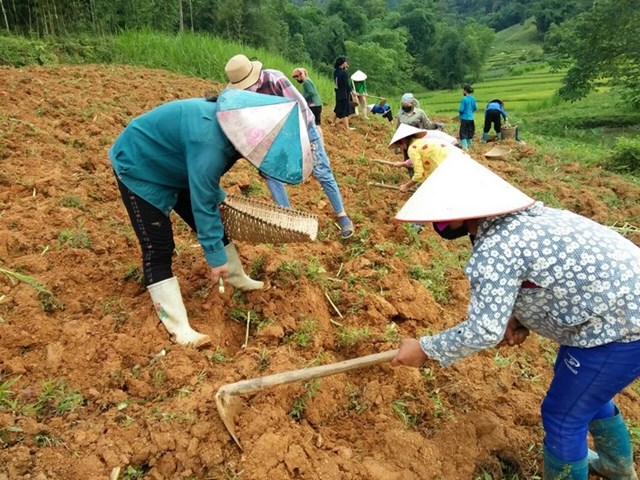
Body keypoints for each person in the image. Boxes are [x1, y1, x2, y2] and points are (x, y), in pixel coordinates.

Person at [392, 151, 640, 480]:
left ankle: (614, 467)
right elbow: (549, 277)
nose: (437, 224)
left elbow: (483, 331)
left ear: (466, 211)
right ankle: (615, 466)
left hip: (619, 328)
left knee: (563, 416)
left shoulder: (496, 248)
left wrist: (424, 349)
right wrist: (519, 317)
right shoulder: (530, 219)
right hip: (609, 315)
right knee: (585, 393)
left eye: (440, 216)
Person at [109, 90, 309, 348]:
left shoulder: (230, 128)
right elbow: (202, 195)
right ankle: (178, 328)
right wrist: (214, 258)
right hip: (139, 165)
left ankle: (237, 278)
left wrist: (219, 197)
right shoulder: (210, 142)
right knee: (158, 247)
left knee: (216, 217)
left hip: (177, 164)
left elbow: (203, 178)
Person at [225, 54, 355, 239]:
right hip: (274, 134)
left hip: (302, 127)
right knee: (269, 172)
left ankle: (342, 215)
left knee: (321, 170)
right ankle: (287, 217)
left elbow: (301, 107)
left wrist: (298, 143)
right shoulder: (244, 94)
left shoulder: (275, 79)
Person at [387, 123, 450, 192]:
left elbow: (419, 174)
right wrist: (402, 164)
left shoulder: (412, 149)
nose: (401, 149)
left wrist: (406, 186)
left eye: (399, 146)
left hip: (442, 170)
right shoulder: (420, 142)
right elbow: (416, 160)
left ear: (403, 141)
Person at [292, 67, 324, 140]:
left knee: (314, 124)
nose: (297, 79)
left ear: (300, 75)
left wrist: (302, 98)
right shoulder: (308, 80)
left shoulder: (306, 82)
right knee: (317, 124)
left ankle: (318, 140)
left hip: (313, 105)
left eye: (297, 77)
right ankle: (321, 141)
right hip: (317, 104)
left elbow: (311, 92)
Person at [332, 56, 356, 132]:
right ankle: (347, 128)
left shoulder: (336, 71)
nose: (347, 63)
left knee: (338, 107)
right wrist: (352, 91)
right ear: (343, 63)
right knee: (345, 112)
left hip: (338, 92)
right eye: (346, 62)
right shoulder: (344, 72)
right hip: (344, 93)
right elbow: (346, 84)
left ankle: (332, 122)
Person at [458, 84, 477, 150]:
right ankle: (469, 145)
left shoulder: (464, 99)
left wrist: (460, 114)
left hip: (464, 118)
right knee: (470, 131)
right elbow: (475, 108)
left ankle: (465, 147)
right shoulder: (473, 98)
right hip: (471, 118)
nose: (463, 91)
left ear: (465, 91)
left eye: (463, 90)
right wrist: (471, 112)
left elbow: (461, 109)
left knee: (463, 132)